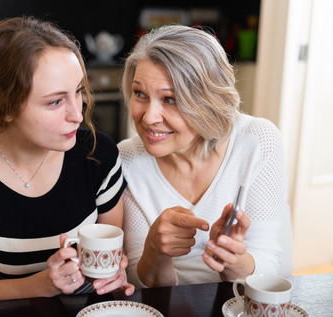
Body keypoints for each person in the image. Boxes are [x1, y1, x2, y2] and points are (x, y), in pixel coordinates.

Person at [0, 16, 134, 303]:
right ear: (5, 107)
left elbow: (110, 256)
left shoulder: (98, 154)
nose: (77, 114)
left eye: (77, 91)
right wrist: (45, 283)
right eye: (55, 101)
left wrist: (115, 274)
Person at [118, 24, 289, 288]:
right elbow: (139, 284)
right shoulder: (126, 160)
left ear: (207, 102)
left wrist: (230, 259)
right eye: (140, 94)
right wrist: (156, 251)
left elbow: (269, 262)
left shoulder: (257, 141)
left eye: (170, 99)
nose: (149, 117)